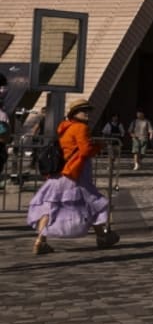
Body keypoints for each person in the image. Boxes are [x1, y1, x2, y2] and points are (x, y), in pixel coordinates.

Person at [26, 98, 120, 254]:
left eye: (88, 111)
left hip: (61, 173)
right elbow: (85, 150)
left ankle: (40, 241)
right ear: (75, 113)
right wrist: (99, 146)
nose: (88, 115)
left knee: (51, 206)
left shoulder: (65, 127)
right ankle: (102, 237)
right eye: (84, 112)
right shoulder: (80, 128)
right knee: (92, 203)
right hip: (76, 172)